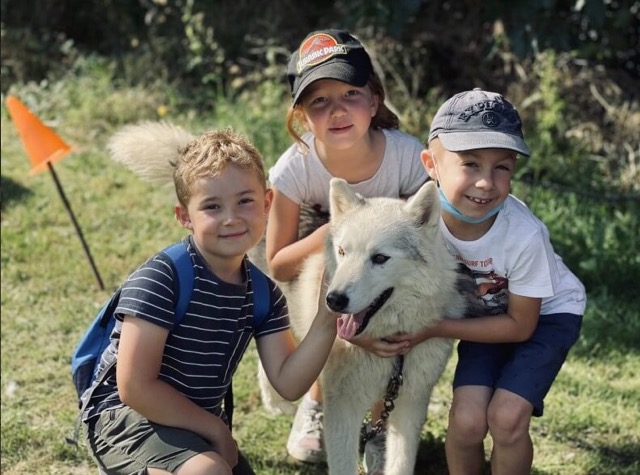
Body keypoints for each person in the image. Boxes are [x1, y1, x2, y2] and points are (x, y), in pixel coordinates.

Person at [353, 88, 586, 475]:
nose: (485, 183)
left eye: (502, 168)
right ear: (431, 163)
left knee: (507, 418)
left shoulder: (523, 235)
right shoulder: (414, 222)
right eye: (471, 164)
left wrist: (433, 328)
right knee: (466, 423)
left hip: (545, 317)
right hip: (483, 320)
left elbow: (520, 325)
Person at [82, 129, 338, 475]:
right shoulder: (162, 278)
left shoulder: (263, 294)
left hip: (192, 424)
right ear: (184, 216)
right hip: (126, 419)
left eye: (244, 201)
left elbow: (289, 383)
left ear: (266, 203)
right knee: (208, 471)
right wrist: (216, 429)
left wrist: (327, 319)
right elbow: (134, 387)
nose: (231, 217)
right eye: (212, 206)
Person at [266, 28, 429, 471]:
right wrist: (334, 232)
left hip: (383, 262)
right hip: (323, 254)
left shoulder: (405, 156)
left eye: (350, 94)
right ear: (301, 115)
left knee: (398, 299)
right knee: (328, 277)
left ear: (373, 101)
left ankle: (382, 420)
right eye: (319, 101)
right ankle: (320, 398)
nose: (337, 110)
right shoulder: (293, 169)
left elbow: (425, 234)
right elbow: (278, 263)